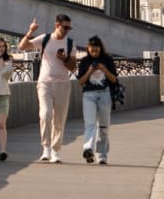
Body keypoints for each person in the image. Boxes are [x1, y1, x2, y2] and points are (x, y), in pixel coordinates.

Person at [18, 13, 76, 162]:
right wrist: (31, 31)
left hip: (63, 83)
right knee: (45, 114)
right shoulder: (45, 39)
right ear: (57, 25)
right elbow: (22, 46)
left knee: (59, 119)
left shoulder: (70, 43)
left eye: (69, 27)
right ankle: (46, 148)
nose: (67, 30)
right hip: (45, 83)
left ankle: (56, 150)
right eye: (65, 27)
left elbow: (73, 67)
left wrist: (66, 59)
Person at [75, 36, 119, 164]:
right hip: (89, 95)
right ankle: (88, 148)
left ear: (100, 48)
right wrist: (89, 71)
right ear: (88, 49)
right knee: (90, 124)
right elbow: (81, 82)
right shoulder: (84, 61)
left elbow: (114, 79)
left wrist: (104, 69)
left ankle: (102, 155)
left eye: (96, 50)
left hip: (104, 94)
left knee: (104, 126)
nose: (94, 52)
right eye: (91, 50)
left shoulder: (107, 60)